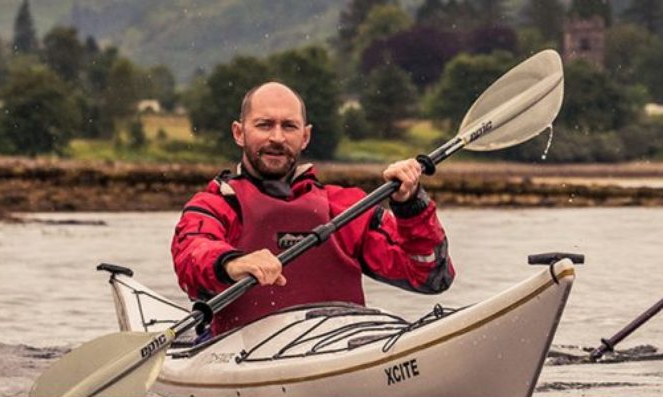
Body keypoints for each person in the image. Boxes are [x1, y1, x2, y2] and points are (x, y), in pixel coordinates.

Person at [172, 82, 453, 335]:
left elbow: (430, 277)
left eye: (289, 126)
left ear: (305, 136)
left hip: (336, 351)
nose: (278, 138)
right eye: (264, 125)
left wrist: (411, 204)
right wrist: (230, 263)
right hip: (238, 353)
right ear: (239, 133)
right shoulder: (215, 205)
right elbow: (192, 254)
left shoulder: (345, 209)